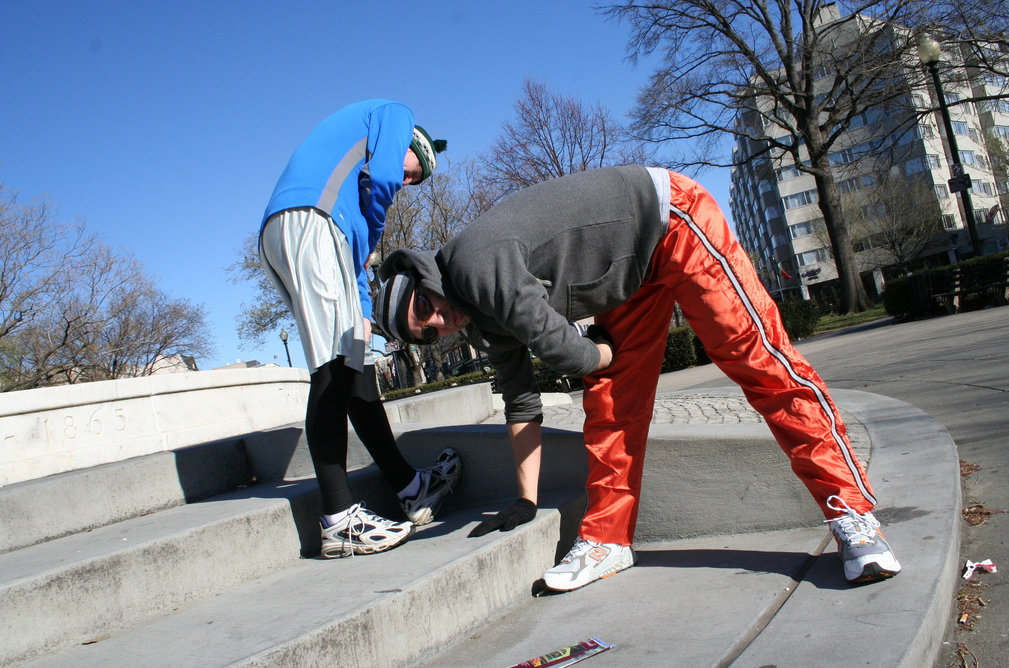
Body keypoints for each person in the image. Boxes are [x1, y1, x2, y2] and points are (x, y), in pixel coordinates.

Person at [372, 165, 901, 590]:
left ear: (425, 275)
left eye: (426, 306)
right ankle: (607, 539)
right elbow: (521, 402)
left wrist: (600, 354)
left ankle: (852, 516)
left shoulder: (472, 264)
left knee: (758, 359)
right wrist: (526, 500)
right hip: (629, 277)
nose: (439, 322)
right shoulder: (479, 314)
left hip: (672, 218)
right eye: (427, 333)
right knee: (612, 402)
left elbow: (566, 352)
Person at [259, 99, 461, 559]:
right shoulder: (395, 115)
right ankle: (338, 519)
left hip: (312, 232)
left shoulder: (351, 199)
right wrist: (373, 233)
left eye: (417, 180)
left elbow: (356, 269)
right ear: (413, 145)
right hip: (312, 217)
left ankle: (409, 488)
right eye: (417, 170)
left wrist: (367, 318)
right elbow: (388, 176)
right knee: (332, 367)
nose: (410, 182)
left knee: (358, 363)